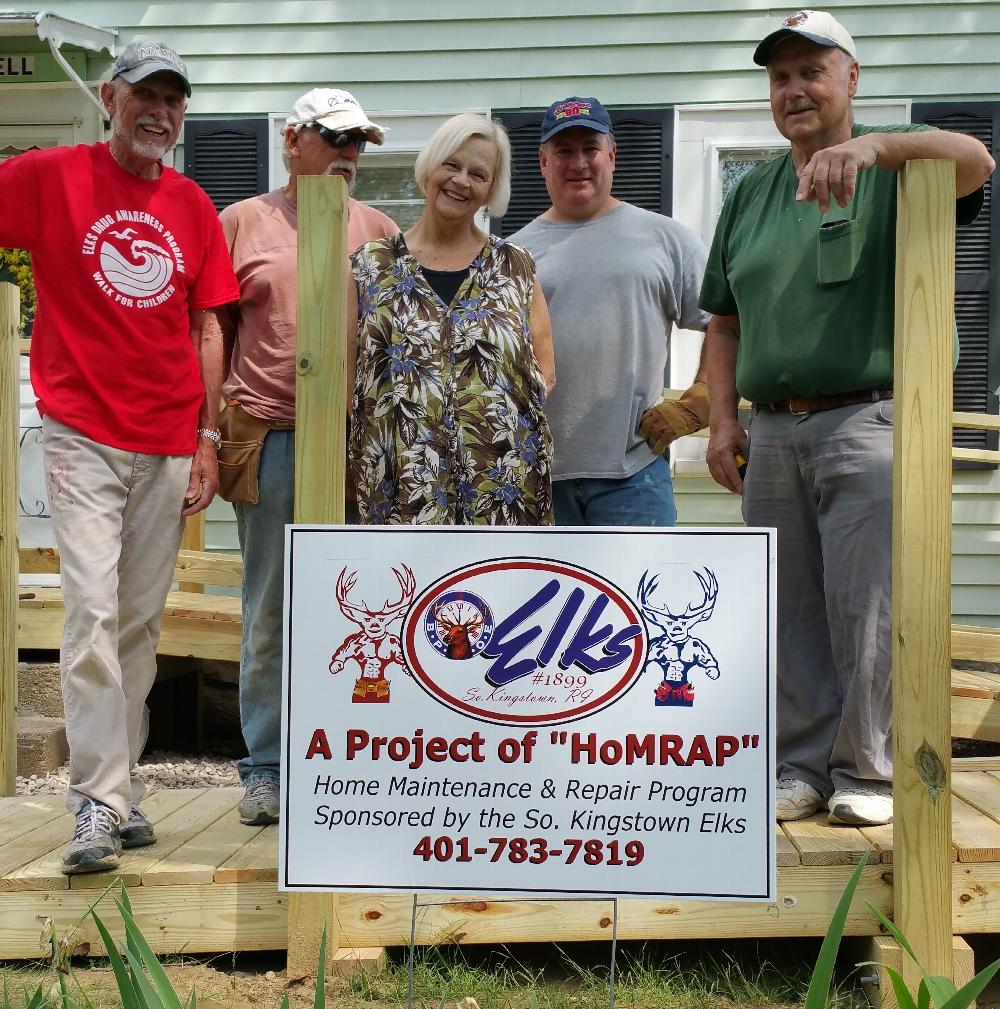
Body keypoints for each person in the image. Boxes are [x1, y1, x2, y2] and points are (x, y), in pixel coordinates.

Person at [702, 10, 994, 826]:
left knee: (869, 607)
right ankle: (800, 766)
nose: (794, 90)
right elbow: (723, 321)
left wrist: (877, 149)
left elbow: (977, 161)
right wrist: (722, 421)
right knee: (789, 606)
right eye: (780, 77)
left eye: (812, 72)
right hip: (771, 429)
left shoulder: (899, 166)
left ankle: (868, 769)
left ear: (851, 79)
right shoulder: (751, 192)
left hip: (870, 418)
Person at [0, 40, 239, 873]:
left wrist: (208, 436)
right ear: (110, 97)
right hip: (81, 433)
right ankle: (97, 803)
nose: (159, 113)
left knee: (137, 624)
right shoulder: (49, 176)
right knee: (92, 614)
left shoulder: (192, 204)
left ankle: (121, 786)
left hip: (169, 441)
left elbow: (208, 325)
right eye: (146, 96)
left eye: (173, 100)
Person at [219, 88, 397, 826]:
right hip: (272, 435)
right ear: (293, 141)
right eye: (335, 139)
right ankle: (267, 767)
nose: (349, 154)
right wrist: (208, 434)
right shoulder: (241, 223)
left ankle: (350, 758)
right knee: (271, 607)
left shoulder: (380, 230)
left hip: (359, 445)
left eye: (358, 143)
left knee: (365, 609)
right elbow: (213, 333)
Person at [512, 96, 710, 527]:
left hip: (635, 475)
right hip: (534, 478)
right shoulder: (512, 255)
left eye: (591, 149)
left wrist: (702, 396)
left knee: (644, 577)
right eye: (564, 151)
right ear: (543, 162)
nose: (579, 163)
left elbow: (726, 322)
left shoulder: (666, 239)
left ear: (612, 156)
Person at [349, 114, 555, 525]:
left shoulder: (515, 266)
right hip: (399, 491)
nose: (461, 181)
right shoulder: (370, 265)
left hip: (503, 493)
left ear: (491, 190)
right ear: (430, 166)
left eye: (478, 174)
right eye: (452, 164)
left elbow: (544, 372)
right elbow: (346, 376)